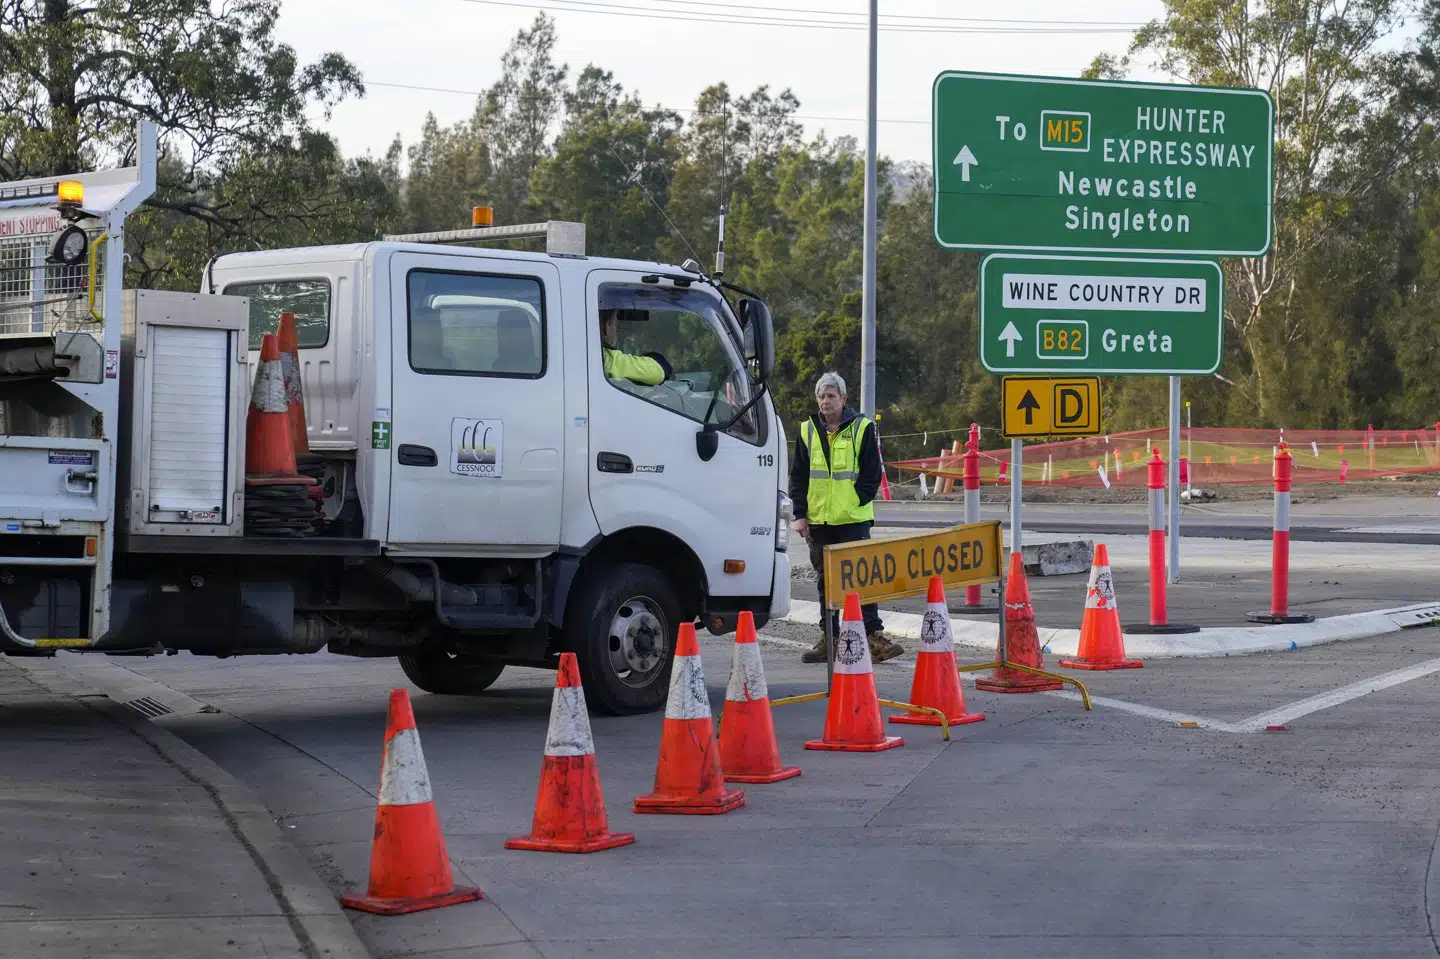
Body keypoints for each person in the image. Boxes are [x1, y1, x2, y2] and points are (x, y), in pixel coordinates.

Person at [789, 371, 905, 664]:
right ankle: (830, 638)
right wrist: (800, 514)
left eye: (831, 396)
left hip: (853, 519)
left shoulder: (862, 427)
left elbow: (871, 474)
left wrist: (855, 501)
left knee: (863, 580)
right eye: (821, 396)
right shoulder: (807, 430)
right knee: (825, 582)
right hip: (819, 521)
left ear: (843, 399)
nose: (825, 401)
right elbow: (799, 477)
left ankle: (873, 637)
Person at [600, 309, 672, 386]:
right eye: (615, 323)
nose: (616, 330)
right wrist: (652, 356)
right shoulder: (605, 359)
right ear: (605, 326)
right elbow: (658, 371)